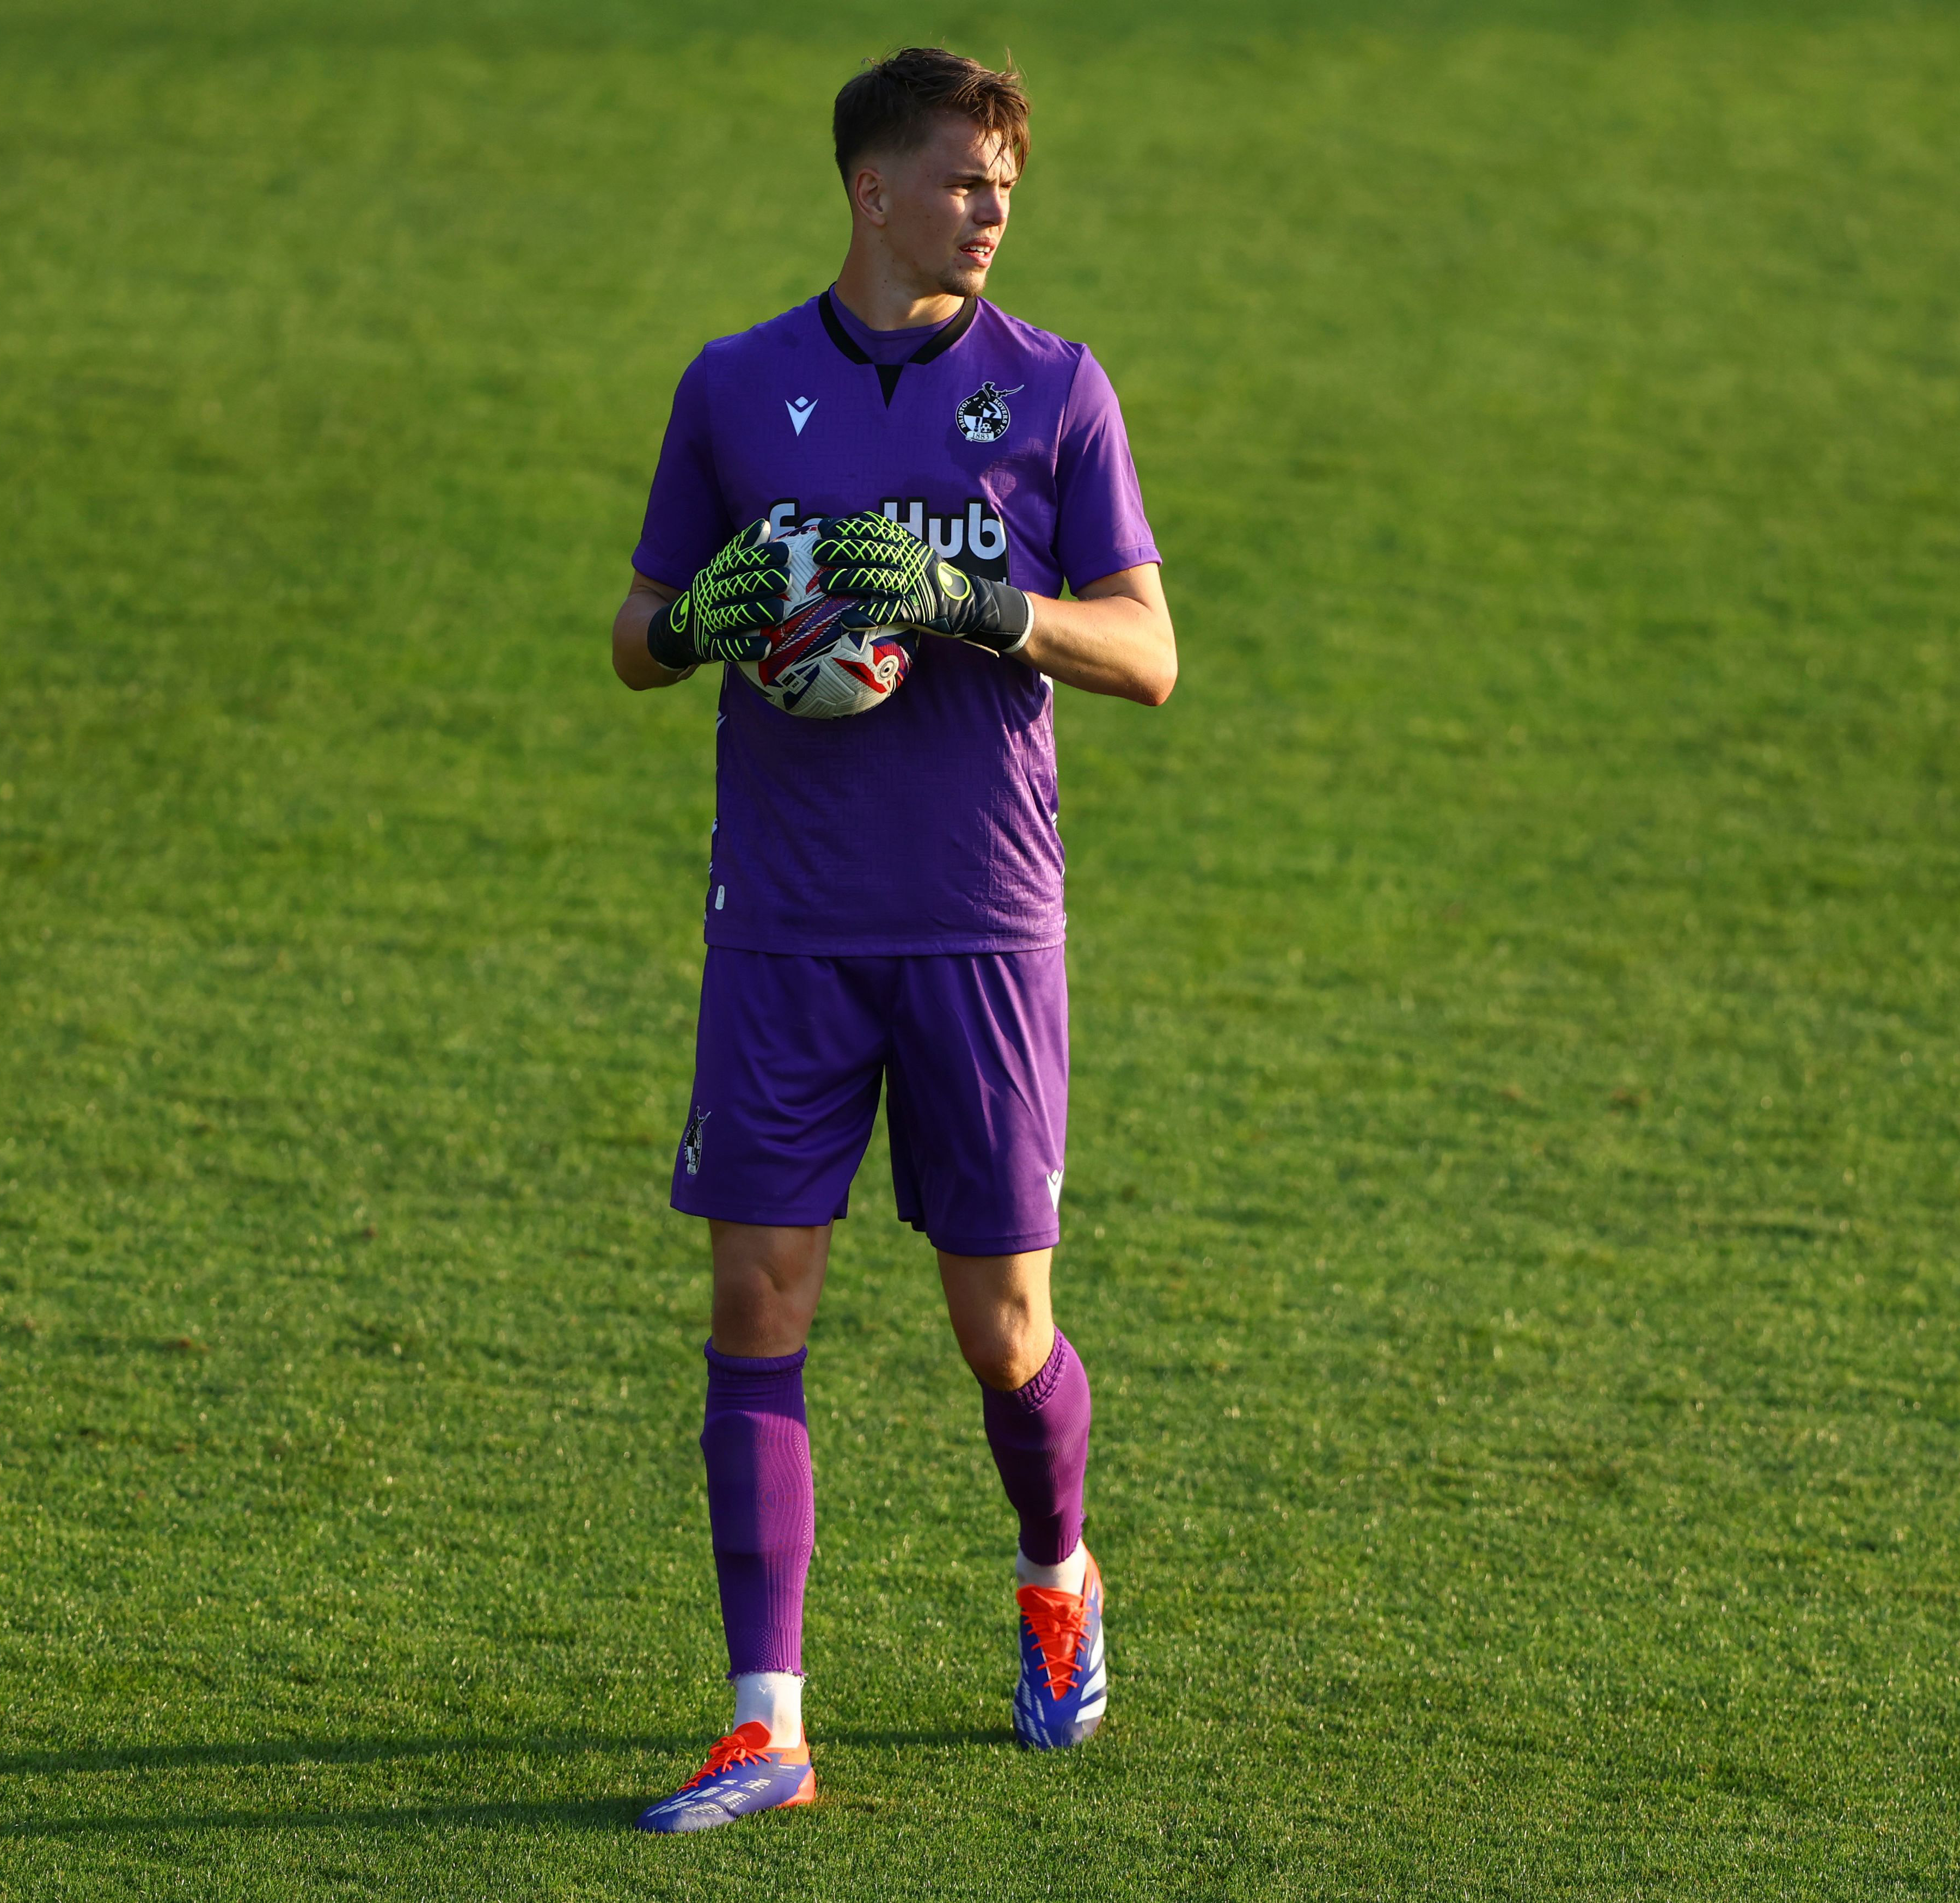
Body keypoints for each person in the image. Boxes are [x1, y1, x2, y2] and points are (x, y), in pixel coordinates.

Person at [610, 45, 1175, 1835]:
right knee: (756, 1294)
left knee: (1000, 1330)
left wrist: (977, 603)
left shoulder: (1057, 393)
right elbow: (632, 632)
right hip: (783, 919)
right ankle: (763, 1719)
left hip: (980, 924)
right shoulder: (733, 386)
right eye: (959, 178)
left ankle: (1057, 1572)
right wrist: (703, 616)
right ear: (869, 187)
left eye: (1005, 181)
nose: (991, 208)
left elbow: (1148, 652)